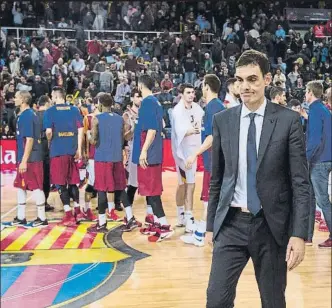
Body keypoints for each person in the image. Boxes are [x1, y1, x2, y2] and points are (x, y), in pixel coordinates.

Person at [206, 50, 310, 308]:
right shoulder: (223, 121)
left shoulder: (288, 120)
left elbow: (300, 183)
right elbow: (217, 178)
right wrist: (210, 226)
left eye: (252, 79)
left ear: (267, 79)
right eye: (239, 80)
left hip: (271, 224)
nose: (244, 86)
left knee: (273, 301)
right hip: (231, 223)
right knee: (216, 299)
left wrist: (299, 234)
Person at [182, 74, 225, 246]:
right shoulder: (220, 106)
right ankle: (208, 231)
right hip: (218, 160)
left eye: (202, 86)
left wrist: (194, 154)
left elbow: (212, 137)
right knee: (213, 197)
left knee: (209, 197)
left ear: (207, 86)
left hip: (213, 160)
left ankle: (201, 234)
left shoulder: (212, 108)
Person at [88, 93, 139, 233]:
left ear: (99, 104)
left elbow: (93, 140)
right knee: (120, 189)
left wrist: (88, 136)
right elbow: (124, 138)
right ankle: (130, 218)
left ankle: (102, 223)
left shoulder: (96, 119)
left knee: (102, 190)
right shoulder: (120, 118)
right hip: (117, 158)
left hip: (103, 158)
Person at [133, 75, 174, 242]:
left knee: (153, 192)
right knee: (149, 191)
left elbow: (151, 130)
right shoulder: (155, 102)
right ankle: (154, 223)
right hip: (153, 153)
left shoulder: (148, 102)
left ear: (140, 85)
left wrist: (143, 151)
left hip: (149, 154)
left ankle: (164, 226)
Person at [44, 86, 84, 226]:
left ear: (55, 96)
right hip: (72, 150)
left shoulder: (49, 112)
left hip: (58, 150)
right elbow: (81, 130)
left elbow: (48, 132)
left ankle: (68, 214)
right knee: (73, 181)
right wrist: (79, 148)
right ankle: (78, 210)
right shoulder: (74, 109)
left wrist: (49, 139)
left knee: (60, 183)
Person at [171, 83, 204, 233]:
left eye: (192, 92)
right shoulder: (177, 111)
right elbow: (180, 130)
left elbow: (203, 122)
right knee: (184, 184)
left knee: (190, 183)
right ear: (181, 94)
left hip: (193, 150)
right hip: (181, 153)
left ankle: (187, 215)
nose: (191, 95)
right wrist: (191, 130)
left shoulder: (198, 109)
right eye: (188, 92)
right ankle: (183, 215)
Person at [11, 91, 47, 227]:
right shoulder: (29, 114)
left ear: (23, 100)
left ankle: (42, 218)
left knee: (36, 186)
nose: (14, 99)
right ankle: (21, 216)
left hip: (31, 159)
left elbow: (30, 139)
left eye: (16, 97)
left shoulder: (26, 116)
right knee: (21, 186)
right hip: (26, 157)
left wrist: (24, 160)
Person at [305, 81, 332, 249]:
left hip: (319, 160)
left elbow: (314, 140)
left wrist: (305, 158)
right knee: (315, 198)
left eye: (306, 92)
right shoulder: (324, 110)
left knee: (322, 201)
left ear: (310, 92)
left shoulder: (315, 110)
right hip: (327, 158)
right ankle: (307, 236)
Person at [123, 89, 155, 225]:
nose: (140, 99)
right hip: (133, 151)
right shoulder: (127, 115)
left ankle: (149, 214)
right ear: (132, 98)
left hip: (146, 151)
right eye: (137, 96)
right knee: (133, 184)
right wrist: (134, 129)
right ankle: (128, 215)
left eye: (141, 96)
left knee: (148, 184)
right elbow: (124, 136)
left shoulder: (146, 112)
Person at [36, 95, 54, 212]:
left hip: (35, 150)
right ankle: (44, 202)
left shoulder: (33, 115)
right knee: (46, 177)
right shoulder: (49, 115)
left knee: (38, 177)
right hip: (46, 148)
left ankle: (40, 201)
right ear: (47, 103)